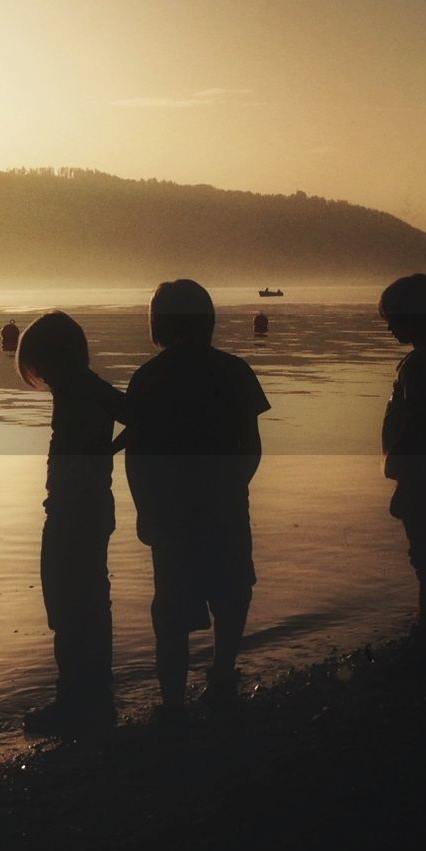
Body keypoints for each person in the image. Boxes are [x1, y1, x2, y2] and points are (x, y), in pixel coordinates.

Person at [124, 280, 269, 725]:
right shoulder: (235, 370)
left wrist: (144, 508)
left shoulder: (148, 378)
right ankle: (222, 676)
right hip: (225, 505)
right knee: (231, 594)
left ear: (158, 324)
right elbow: (252, 446)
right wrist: (232, 485)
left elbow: (137, 458)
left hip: (171, 511)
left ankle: (172, 701)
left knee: (171, 607)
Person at [16, 311, 126, 737]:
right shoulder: (86, 386)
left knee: (67, 603)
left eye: (37, 364)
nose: (37, 374)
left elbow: (139, 415)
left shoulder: (77, 387)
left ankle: (75, 699)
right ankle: (94, 694)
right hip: (90, 506)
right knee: (90, 603)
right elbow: (140, 414)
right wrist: (107, 452)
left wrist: (104, 453)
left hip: (71, 511)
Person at [379, 274, 426, 651]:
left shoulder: (419, 365)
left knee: (424, 551)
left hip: (421, 468)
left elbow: (417, 421)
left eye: (393, 318)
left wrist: (397, 464)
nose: (389, 326)